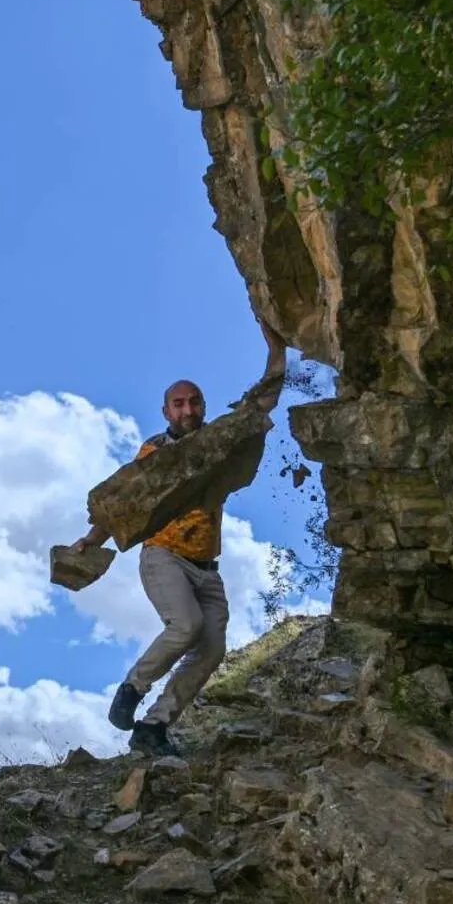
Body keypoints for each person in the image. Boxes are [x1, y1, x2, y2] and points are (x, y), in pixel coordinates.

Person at [74, 320, 287, 757]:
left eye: (193, 402)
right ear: (166, 411)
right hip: (164, 556)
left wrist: (277, 351)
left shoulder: (216, 443)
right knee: (185, 626)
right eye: (178, 404)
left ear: (204, 406)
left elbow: (257, 408)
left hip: (208, 566)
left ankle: (154, 727)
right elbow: (125, 505)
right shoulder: (154, 453)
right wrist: (91, 541)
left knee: (210, 649)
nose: (187, 410)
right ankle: (133, 687)